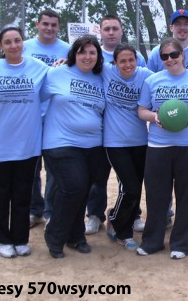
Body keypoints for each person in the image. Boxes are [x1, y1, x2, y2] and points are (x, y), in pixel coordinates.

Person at [0, 25, 49, 258]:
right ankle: (3, 239)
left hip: (28, 145)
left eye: (17, 40)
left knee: (23, 194)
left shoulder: (39, 68)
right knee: (0, 194)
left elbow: (60, 75)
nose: (14, 45)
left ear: (23, 42)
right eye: (8, 42)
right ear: (1, 46)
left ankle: (20, 238)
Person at [137, 37, 188, 259]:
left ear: (182, 55)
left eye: (174, 54)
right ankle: (152, 241)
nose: (170, 59)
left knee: (187, 194)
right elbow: (142, 110)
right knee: (156, 195)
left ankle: (181, 243)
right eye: (165, 56)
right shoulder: (152, 81)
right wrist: (154, 116)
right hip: (158, 145)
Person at [147, 9, 188, 235]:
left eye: (187, 23)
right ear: (171, 27)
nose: (182, 27)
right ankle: (164, 217)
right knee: (161, 182)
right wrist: (159, 114)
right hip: (162, 131)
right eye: (178, 23)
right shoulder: (157, 51)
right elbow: (151, 81)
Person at [41, 35, 106, 259]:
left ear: (98, 56)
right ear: (73, 54)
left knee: (82, 191)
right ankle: (55, 235)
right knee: (73, 187)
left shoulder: (101, 78)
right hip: (60, 143)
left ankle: (76, 236)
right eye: (82, 52)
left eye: (92, 52)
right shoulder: (56, 73)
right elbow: (34, 99)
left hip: (93, 145)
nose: (87, 57)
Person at [103, 43, 154, 250]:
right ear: (114, 63)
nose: (127, 64)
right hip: (115, 141)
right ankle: (120, 227)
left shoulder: (145, 75)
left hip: (140, 141)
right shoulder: (106, 72)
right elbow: (82, 64)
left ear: (136, 60)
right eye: (122, 61)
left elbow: (168, 77)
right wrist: (63, 62)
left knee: (135, 187)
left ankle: (117, 219)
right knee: (130, 187)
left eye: (131, 60)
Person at [23, 9, 71, 228]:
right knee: (31, 166)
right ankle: (35, 210)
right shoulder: (24, 47)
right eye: (45, 24)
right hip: (30, 115)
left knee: (54, 168)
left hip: (55, 118)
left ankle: (51, 210)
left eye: (53, 24)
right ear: (37, 24)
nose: (49, 28)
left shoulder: (67, 50)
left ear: (59, 27)